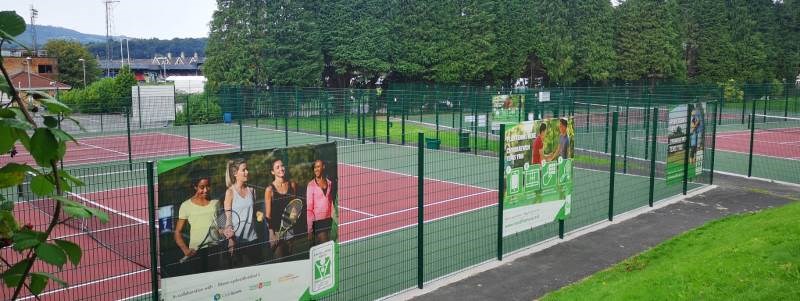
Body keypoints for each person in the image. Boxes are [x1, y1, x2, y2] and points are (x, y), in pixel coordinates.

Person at [173, 177, 222, 274]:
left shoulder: (216, 202)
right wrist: (185, 249)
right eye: (202, 187)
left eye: (208, 186)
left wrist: (223, 231)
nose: (205, 190)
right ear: (195, 187)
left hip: (215, 248)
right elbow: (177, 232)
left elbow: (219, 226)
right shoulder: (185, 205)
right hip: (195, 252)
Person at [223, 159, 260, 267]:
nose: (247, 172)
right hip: (237, 242)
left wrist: (259, 215)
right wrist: (231, 240)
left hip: (253, 239)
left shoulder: (252, 190)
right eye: (244, 170)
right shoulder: (230, 192)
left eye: (247, 169)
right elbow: (228, 218)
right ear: (235, 173)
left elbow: (255, 214)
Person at [264, 158, 301, 260]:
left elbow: (294, 207)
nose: (281, 169)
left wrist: (292, 219)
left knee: (290, 260)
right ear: (273, 172)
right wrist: (271, 234)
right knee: (279, 261)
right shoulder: (269, 190)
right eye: (277, 167)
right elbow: (268, 215)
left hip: (289, 229)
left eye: (282, 166)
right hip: (276, 231)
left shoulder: (292, 185)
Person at [306, 159, 334, 244]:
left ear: (323, 167)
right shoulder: (311, 185)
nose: (316, 169)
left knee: (329, 245)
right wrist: (310, 229)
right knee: (325, 243)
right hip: (318, 222)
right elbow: (309, 210)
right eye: (314, 167)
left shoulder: (329, 183)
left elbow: (331, 202)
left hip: (329, 220)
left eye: (318, 167)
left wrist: (334, 218)